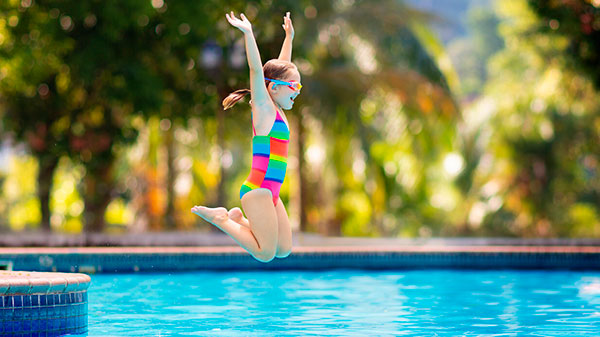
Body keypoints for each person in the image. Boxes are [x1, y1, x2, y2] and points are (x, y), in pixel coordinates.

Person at [192, 11, 301, 263]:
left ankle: (239, 220)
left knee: (283, 249)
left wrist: (289, 38)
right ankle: (222, 219)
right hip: (258, 189)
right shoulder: (264, 110)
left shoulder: (278, 107)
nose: (297, 91)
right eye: (294, 87)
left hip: (272, 192)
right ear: (273, 88)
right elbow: (256, 69)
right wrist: (248, 34)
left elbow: (281, 69)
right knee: (264, 253)